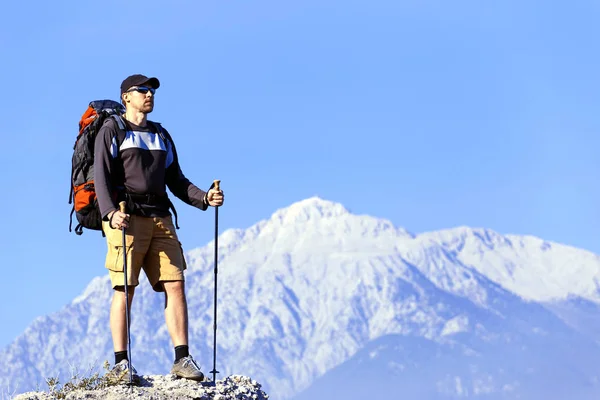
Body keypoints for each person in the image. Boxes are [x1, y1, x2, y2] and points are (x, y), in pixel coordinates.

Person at [93, 74, 224, 383]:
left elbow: (176, 180)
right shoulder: (113, 130)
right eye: (142, 90)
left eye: (151, 90)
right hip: (126, 217)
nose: (149, 94)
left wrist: (205, 198)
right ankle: (121, 363)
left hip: (160, 217)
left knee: (175, 283)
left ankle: (182, 358)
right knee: (126, 288)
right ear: (126, 96)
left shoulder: (160, 134)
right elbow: (101, 176)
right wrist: (110, 213)